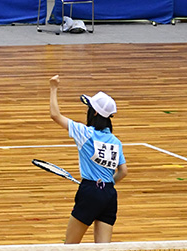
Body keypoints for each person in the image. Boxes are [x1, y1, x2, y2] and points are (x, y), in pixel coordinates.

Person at [48, 75, 127, 244]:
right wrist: (105, 185)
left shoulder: (84, 133)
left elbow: (55, 115)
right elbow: (123, 172)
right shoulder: (115, 142)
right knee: (103, 249)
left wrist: (53, 88)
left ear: (96, 112)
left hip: (90, 191)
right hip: (109, 195)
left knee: (70, 246)